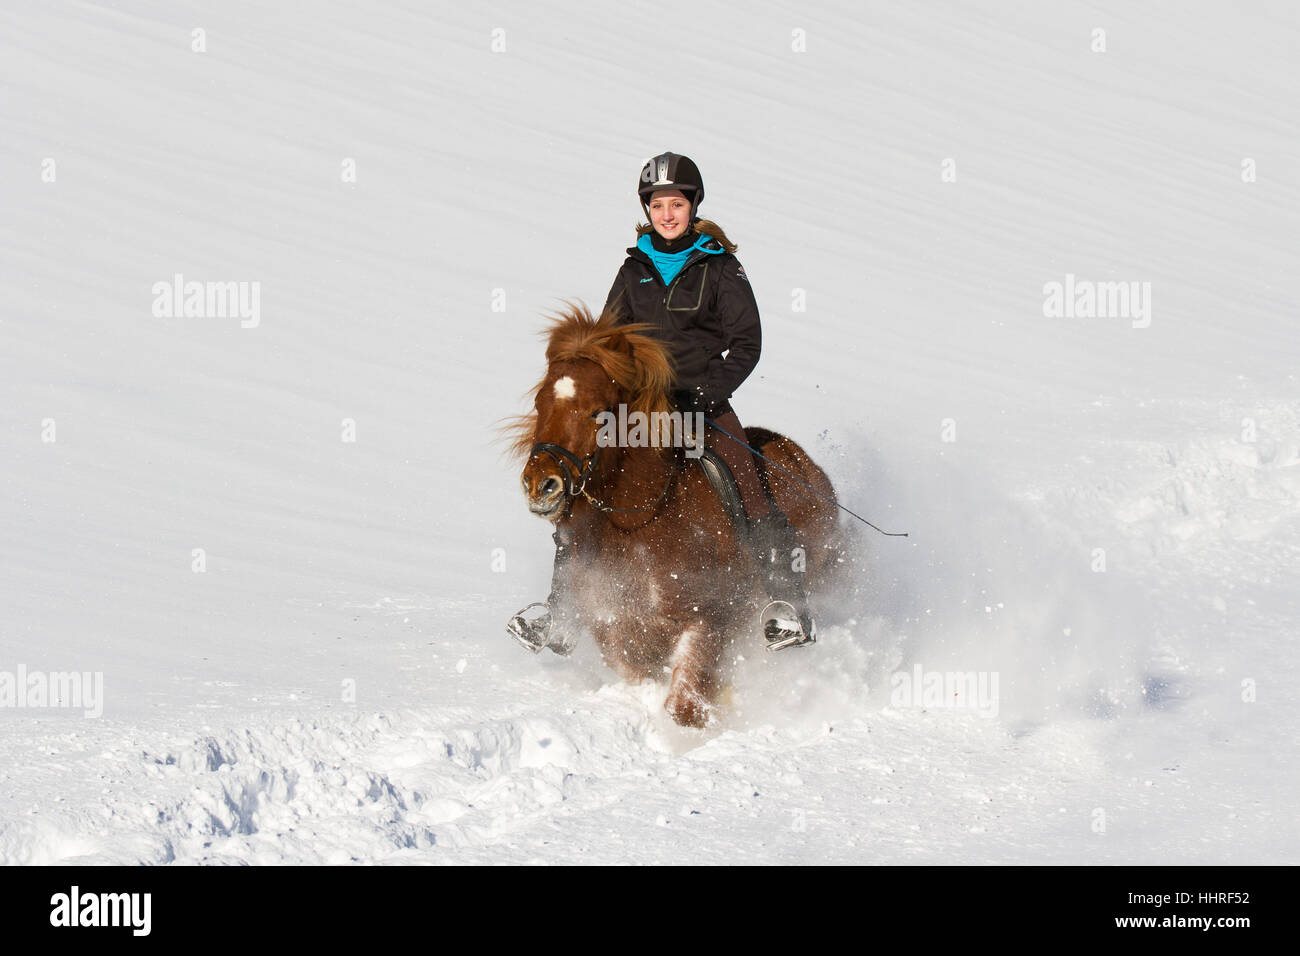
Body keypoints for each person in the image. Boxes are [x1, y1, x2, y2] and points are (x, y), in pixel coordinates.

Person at [508, 151, 813, 654]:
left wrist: (706, 392)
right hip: (641, 412)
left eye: (676, 204)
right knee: (585, 488)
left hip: (703, 405)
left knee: (744, 481)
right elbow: (607, 340)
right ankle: (560, 614)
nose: (667, 214)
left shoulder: (720, 268)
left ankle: (787, 604)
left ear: (693, 206)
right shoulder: (634, 270)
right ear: (646, 210)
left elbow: (748, 344)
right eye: (657, 205)